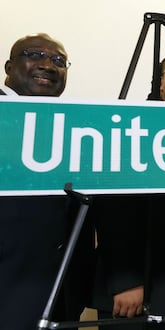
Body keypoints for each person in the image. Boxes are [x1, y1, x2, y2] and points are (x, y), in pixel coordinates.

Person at [90, 51, 165, 329]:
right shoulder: (133, 123)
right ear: (159, 83)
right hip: (138, 288)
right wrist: (127, 281)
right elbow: (113, 207)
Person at [0, 33, 94, 329]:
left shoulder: (77, 129)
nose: (48, 66)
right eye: (35, 55)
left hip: (61, 296)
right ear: (8, 66)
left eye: (58, 61)